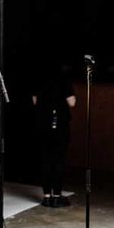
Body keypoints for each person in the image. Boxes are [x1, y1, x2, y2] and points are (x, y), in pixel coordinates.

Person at [32, 64, 76, 208]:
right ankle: (56, 196)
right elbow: (72, 102)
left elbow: (35, 101)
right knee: (59, 159)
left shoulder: (39, 80)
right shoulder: (64, 80)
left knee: (45, 159)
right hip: (59, 125)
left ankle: (46, 196)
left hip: (42, 125)